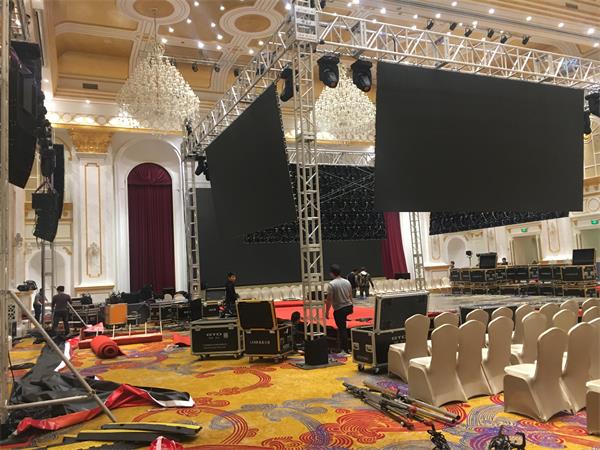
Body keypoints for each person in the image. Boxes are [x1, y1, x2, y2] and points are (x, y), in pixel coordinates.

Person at [326, 264, 353, 355]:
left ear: (332, 273)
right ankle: (346, 347)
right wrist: (352, 306)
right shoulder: (347, 282)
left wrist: (327, 312)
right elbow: (350, 295)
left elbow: (329, 299)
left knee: (342, 329)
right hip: (348, 306)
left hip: (340, 309)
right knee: (343, 327)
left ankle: (345, 350)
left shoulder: (332, 284)